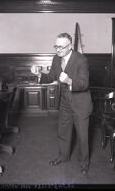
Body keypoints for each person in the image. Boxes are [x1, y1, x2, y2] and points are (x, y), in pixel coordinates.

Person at [31, 33, 93, 174]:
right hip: (65, 101)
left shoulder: (81, 60)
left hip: (80, 103)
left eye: (61, 47)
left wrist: (69, 81)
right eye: (56, 46)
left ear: (70, 46)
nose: (57, 49)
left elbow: (84, 84)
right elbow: (51, 76)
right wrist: (39, 75)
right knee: (63, 132)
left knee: (82, 136)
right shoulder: (56, 58)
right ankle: (63, 156)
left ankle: (84, 164)